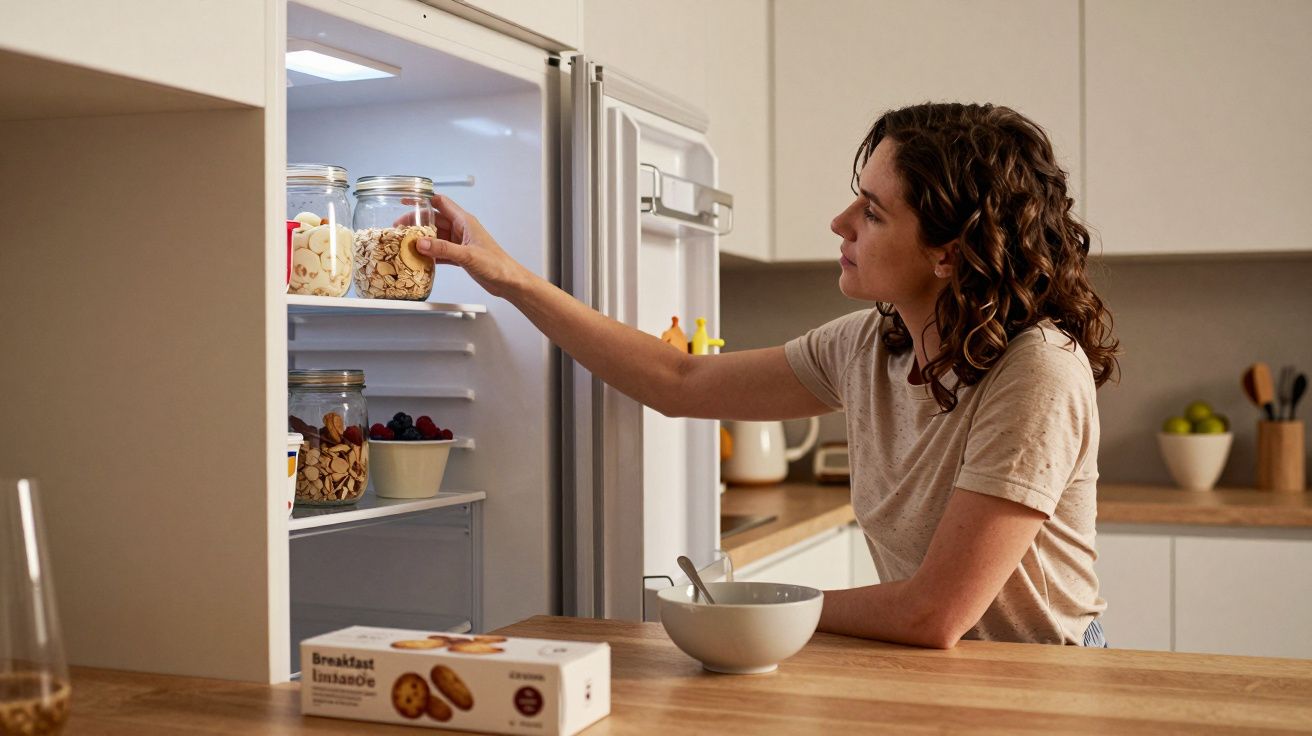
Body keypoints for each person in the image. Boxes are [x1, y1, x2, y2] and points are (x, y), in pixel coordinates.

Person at [414, 102, 1118, 648]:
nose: (840, 222)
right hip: (946, 667)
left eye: (871, 212)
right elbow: (679, 382)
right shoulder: (869, 346)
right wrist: (506, 277)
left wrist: (741, 607)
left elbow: (933, 612)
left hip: (1042, 672)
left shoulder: (1038, 371)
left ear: (947, 253)